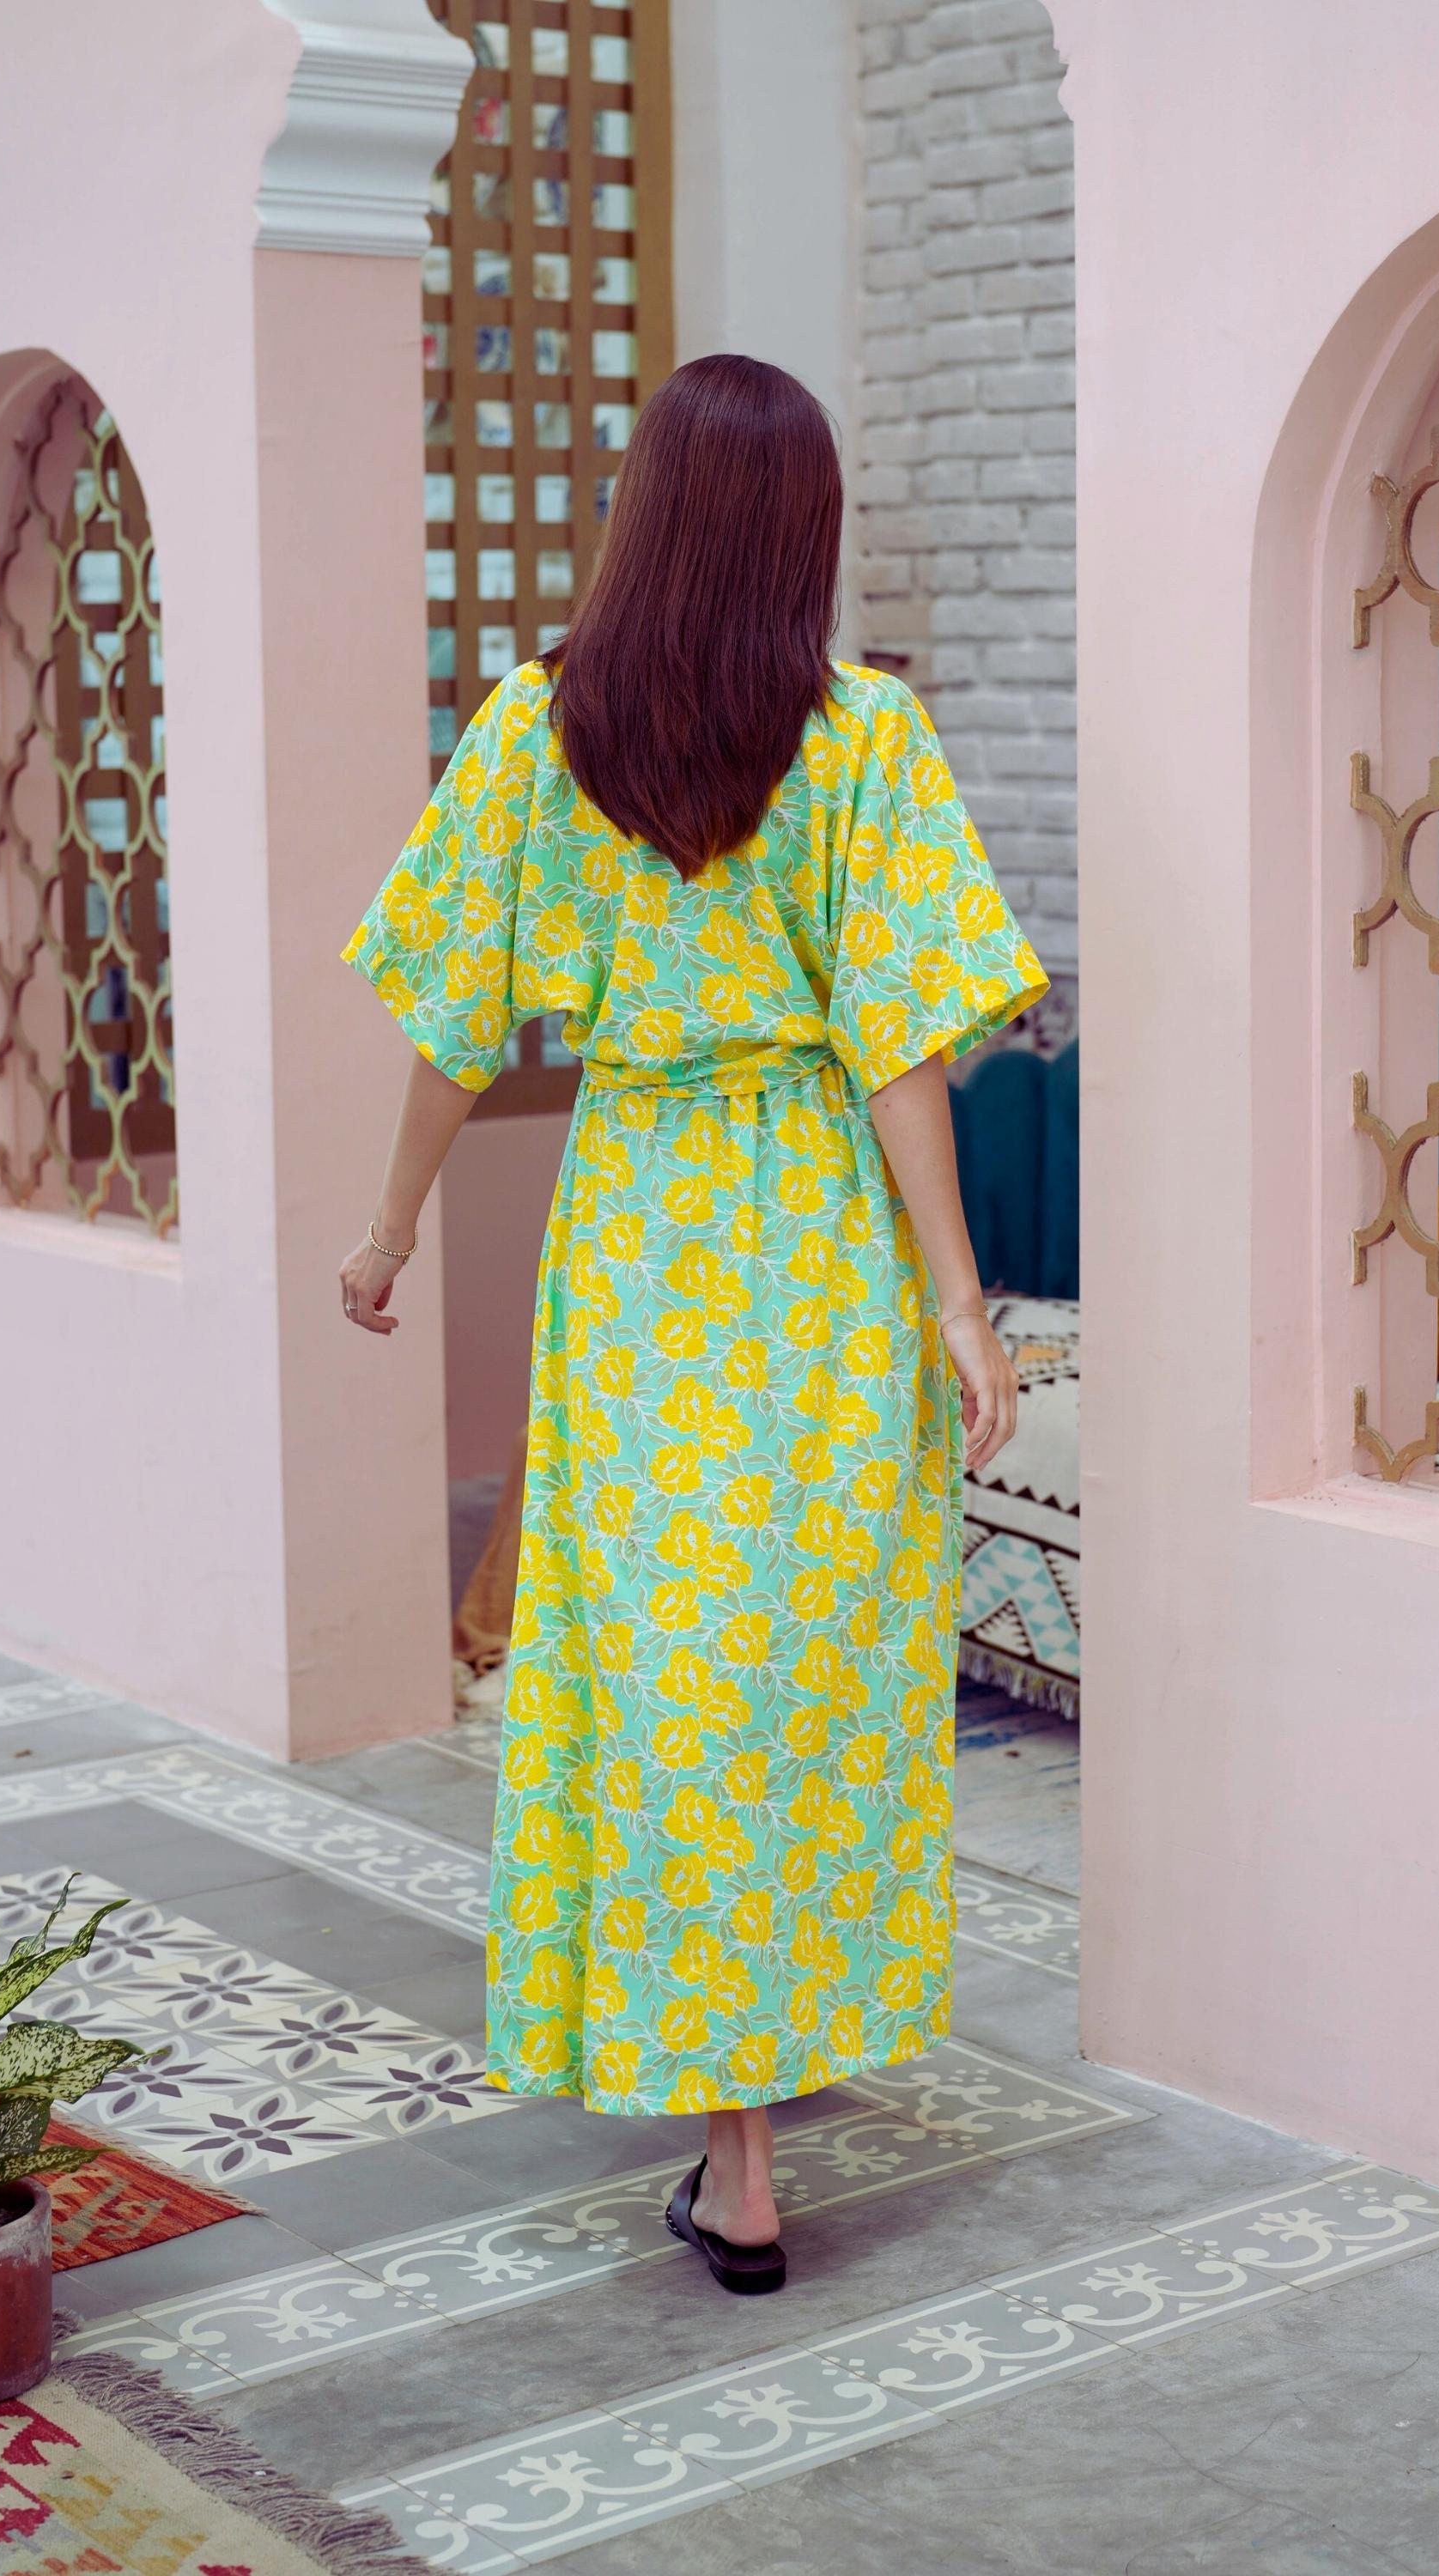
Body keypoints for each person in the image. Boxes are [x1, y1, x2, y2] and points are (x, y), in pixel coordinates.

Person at [339, 353, 1047, 2294]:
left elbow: (457, 1025)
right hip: (815, 1242)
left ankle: (726, 2125)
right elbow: (903, 1046)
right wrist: (960, 1301)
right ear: (805, 528)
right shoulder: (865, 737)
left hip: (640, 1241)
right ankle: (761, 2073)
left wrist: (391, 1231)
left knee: (657, 1665)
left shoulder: (533, 731)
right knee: (803, 1659)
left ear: (641, 511)